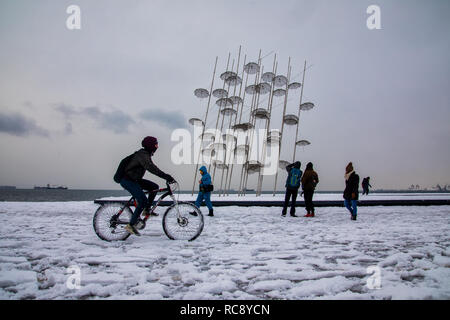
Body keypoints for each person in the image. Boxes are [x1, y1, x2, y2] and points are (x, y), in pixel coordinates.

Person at [120, 136, 175, 236]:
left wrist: (165, 176)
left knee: (154, 187)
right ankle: (131, 225)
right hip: (128, 180)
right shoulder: (142, 155)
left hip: (135, 179)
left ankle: (146, 209)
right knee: (142, 200)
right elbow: (151, 168)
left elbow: (152, 167)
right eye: (156, 144)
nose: (157, 146)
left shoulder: (146, 154)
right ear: (150, 145)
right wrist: (166, 176)